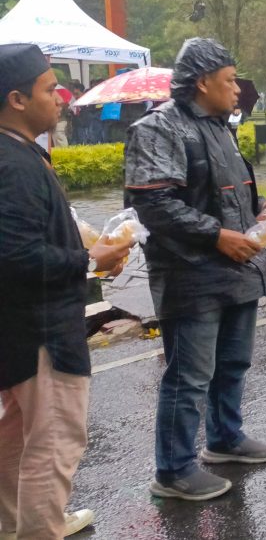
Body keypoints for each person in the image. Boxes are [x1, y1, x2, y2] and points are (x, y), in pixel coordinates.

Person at [125, 38, 266, 502]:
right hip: (192, 274)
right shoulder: (159, 128)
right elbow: (154, 202)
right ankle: (173, 469)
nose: (237, 89)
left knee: (232, 363)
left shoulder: (219, 127)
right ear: (204, 82)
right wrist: (217, 236)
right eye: (230, 80)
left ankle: (225, 438)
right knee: (189, 376)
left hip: (237, 269)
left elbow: (230, 195)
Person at [0, 44, 132, 539]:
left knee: (17, 435)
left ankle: (20, 525)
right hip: (41, 332)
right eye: (50, 88)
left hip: (21, 328)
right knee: (53, 443)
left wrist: (84, 244)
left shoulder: (18, 153)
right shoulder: (13, 164)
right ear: (16, 98)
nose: (62, 97)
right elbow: (14, 257)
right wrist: (89, 260)